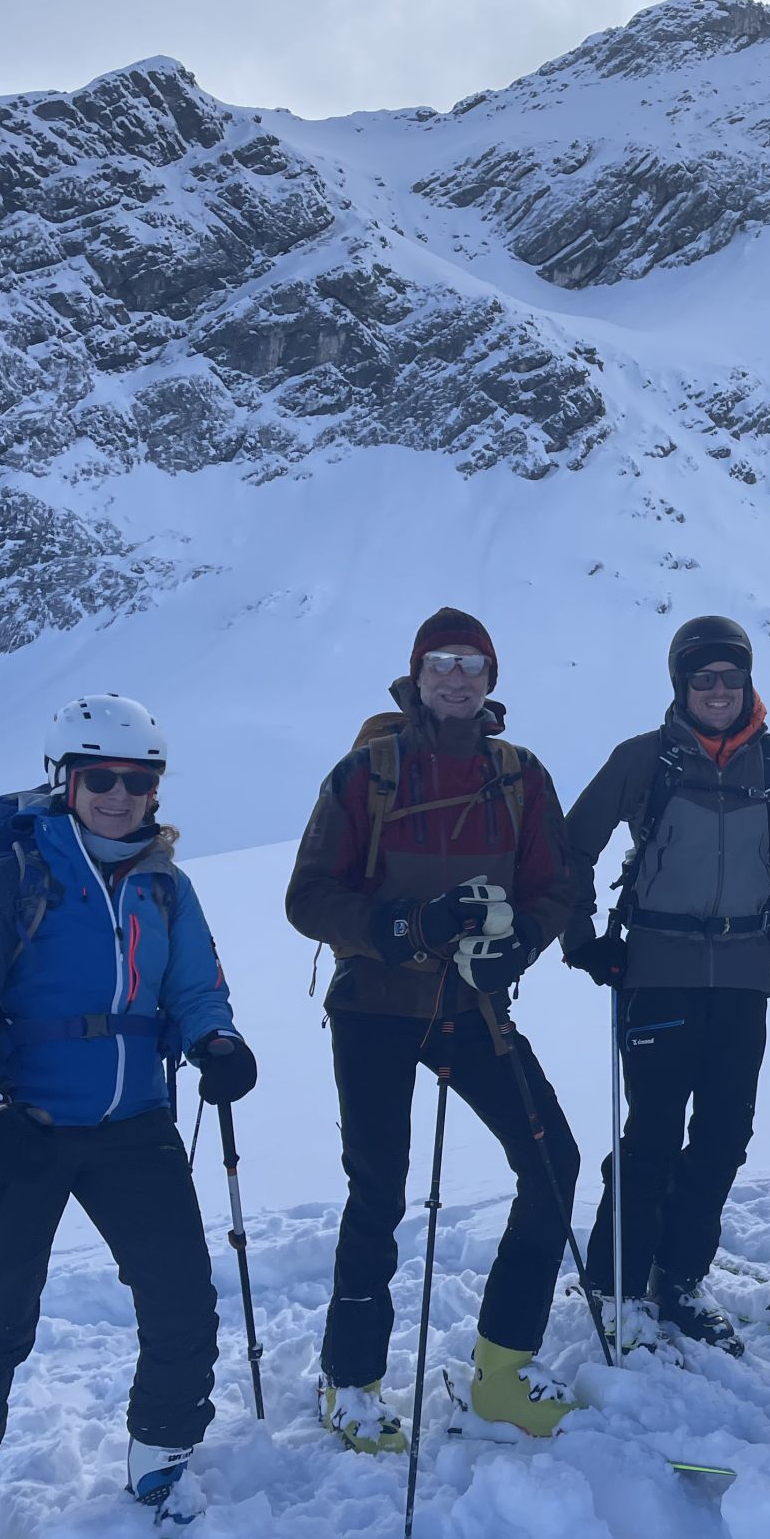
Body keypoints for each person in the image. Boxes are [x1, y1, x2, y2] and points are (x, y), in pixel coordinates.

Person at [0, 694, 256, 1539]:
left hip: (132, 1124)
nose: (117, 794)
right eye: (99, 777)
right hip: (17, 1128)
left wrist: (217, 1042)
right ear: (65, 780)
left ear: (154, 790)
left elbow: (193, 992)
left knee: (182, 1297)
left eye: (136, 780)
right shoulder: (15, 875)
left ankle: (163, 1457)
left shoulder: (164, 884)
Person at [286, 607, 585, 1448]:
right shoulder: (367, 772)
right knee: (378, 1190)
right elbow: (309, 897)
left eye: (472, 664)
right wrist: (405, 928)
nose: (456, 677)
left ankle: (501, 1368)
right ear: (417, 676)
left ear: (492, 680)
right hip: (376, 1007)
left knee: (551, 1163)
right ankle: (351, 1383)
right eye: (441, 663)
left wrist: (517, 946)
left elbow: (554, 886)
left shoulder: (521, 775)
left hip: (470, 1007)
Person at [560, 615, 770, 1356]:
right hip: (657, 973)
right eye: (702, 678)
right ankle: (615, 1281)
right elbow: (572, 846)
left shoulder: (768, 767)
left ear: (748, 683)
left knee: (724, 1137)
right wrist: (584, 941)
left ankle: (677, 1279)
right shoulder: (645, 760)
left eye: (730, 678)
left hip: (743, 978)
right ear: (681, 684)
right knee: (652, 1136)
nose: (717, 690)